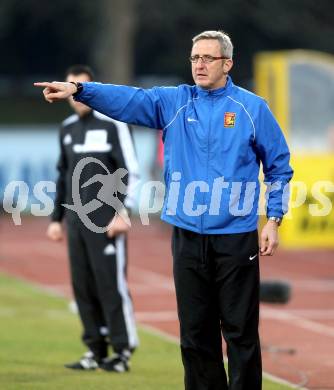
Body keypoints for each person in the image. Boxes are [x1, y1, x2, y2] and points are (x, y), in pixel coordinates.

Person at [35, 31, 293, 390]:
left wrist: (274, 219)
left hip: (235, 236)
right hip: (187, 235)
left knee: (240, 333)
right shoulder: (174, 103)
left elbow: (279, 167)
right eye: (194, 58)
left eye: (208, 58)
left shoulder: (253, 109)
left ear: (227, 63)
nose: (199, 65)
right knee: (194, 334)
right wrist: (81, 91)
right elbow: (128, 99)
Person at [46, 64, 139, 372]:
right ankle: (95, 351)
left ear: (91, 88)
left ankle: (122, 351)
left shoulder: (114, 124)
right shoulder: (68, 128)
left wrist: (123, 212)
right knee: (83, 287)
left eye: (80, 87)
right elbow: (63, 175)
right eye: (70, 87)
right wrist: (56, 219)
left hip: (106, 221)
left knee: (111, 285)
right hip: (75, 222)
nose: (75, 94)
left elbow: (131, 170)